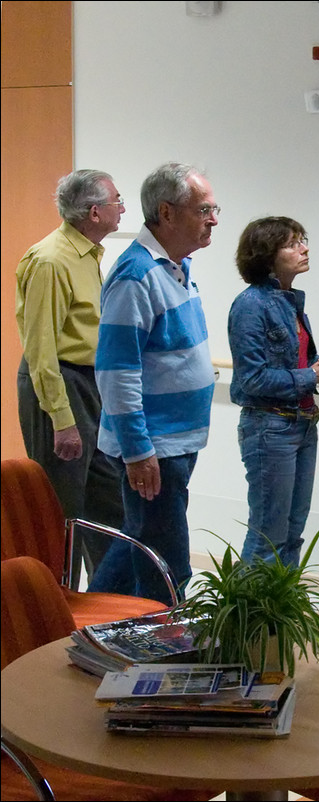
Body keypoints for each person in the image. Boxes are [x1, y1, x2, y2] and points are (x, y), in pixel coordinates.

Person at [87, 163, 219, 605]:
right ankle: (163, 660)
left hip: (175, 442)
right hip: (154, 447)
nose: (214, 218)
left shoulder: (176, 266)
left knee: (135, 542)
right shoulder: (135, 275)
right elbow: (116, 371)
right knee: (167, 568)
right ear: (167, 212)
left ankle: (80, 624)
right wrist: (138, 450)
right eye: (204, 209)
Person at [15, 169, 127, 588]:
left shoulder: (89, 254)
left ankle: (107, 602)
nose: (123, 207)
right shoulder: (50, 260)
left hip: (91, 383)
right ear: (94, 212)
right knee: (62, 510)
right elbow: (41, 348)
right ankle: (56, 606)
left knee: (108, 504)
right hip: (60, 384)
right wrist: (61, 418)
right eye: (118, 200)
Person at [228, 217, 319, 567]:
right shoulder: (251, 305)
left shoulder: (289, 301)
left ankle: (281, 620)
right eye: (293, 243)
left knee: (292, 535)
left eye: (302, 240)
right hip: (270, 429)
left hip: (302, 424)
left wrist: (316, 366)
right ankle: (248, 621)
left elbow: (288, 363)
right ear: (267, 255)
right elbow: (252, 380)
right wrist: (310, 376)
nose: (304, 248)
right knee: (267, 537)